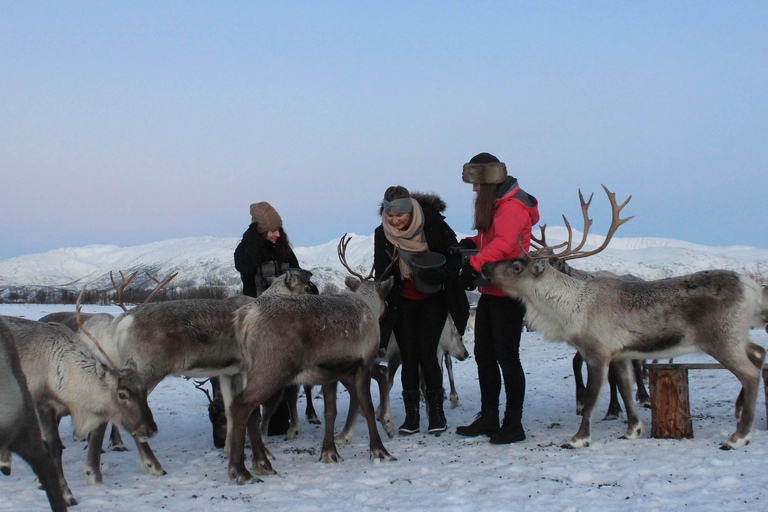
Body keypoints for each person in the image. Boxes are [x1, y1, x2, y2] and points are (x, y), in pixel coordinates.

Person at [454, 153, 539, 444]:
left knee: (507, 357)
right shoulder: (499, 205)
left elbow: (505, 245)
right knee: (485, 356)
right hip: (491, 289)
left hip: (509, 291)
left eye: (477, 184)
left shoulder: (513, 207)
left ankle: (513, 424)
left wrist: (474, 264)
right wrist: (471, 245)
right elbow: (492, 240)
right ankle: (489, 417)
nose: (475, 190)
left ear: (488, 181)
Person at [374, 186, 469, 435]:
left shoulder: (433, 223)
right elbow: (381, 272)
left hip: (433, 300)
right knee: (408, 357)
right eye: (389, 215)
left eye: (399, 216)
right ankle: (411, 417)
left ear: (410, 211)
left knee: (428, 355)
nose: (394, 220)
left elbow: (454, 254)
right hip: (401, 303)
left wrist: (443, 271)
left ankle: (436, 414)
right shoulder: (381, 233)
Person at [233, 201, 311, 435]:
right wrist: (257, 245)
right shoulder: (245, 251)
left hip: (287, 320)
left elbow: (298, 275)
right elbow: (245, 269)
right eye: (272, 230)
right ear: (260, 231)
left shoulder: (285, 249)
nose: (278, 234)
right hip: (258, 320)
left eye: (279, 229)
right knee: (259, 371)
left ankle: (278, 419)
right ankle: (252, 419)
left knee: (281, 370)